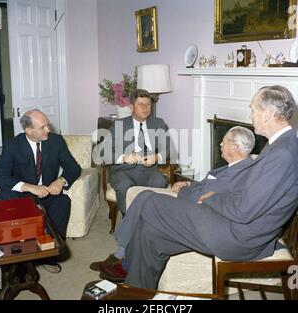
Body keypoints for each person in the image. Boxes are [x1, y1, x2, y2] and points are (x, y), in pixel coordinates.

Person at [104, 85, 298, 289]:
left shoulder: (283, 153)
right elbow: (251, 192)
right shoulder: (281, 145)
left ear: (267, 114)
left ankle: (122, 258)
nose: (251, 115)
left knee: (150, 201)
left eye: (253, 110)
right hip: (235, 225)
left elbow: (244, 209)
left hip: (238, 236)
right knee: (151, 234)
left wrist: (211, 196)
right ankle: (136, 291)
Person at [91, 126, 256, 280]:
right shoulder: (233, 166)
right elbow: (209, 186)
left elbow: (205, 197)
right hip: (192, 198)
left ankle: (120, 257)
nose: (220, 143)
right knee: (144, 197)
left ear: (234, 148)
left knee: (147, 199)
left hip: (197, 212)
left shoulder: (240, 172)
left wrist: (184, 190)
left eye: (225, 141)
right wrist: (190, 183)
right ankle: (122, 257)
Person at [0, 109, 81, 240]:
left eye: (48, 124)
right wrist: (29, 187)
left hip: (48, 192)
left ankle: (52, 245)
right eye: (42, 127)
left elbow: (73, 167)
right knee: (6, 196)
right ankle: (20, 246)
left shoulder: (56, 141)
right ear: (29, 131)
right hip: (22, 195)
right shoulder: (12, 145)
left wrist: (61, 181)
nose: (48, 129)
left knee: (63, 202)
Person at [98, 88, 169, 216]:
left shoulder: (158, 123)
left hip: (149, 171)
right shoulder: (120, 124)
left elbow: (168, 150)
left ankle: (151, 218)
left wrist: (157, 157)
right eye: (140, 104)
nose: (145, 108)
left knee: (159, 181)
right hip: (123, 171)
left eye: (148, 104)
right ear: (131, 107)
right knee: (124, 185)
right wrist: (123, 157)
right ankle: (129, 220)